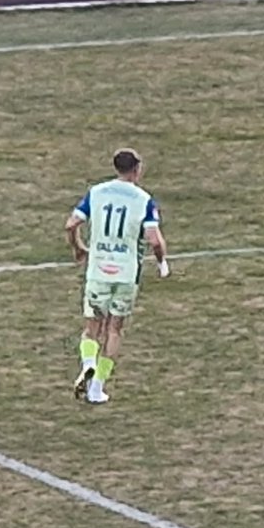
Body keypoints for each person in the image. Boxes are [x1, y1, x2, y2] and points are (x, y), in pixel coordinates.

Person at [64, 148, 168, 405]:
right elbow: (155, 240)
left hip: (99, 270)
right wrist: (161, 262)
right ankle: (97, 387)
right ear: (137, 169)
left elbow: (71, 224)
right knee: (114, 329)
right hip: (126, 274)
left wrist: (78, 247)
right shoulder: (143, 199)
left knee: (92, 327)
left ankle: (88, 362)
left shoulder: (97, 192)